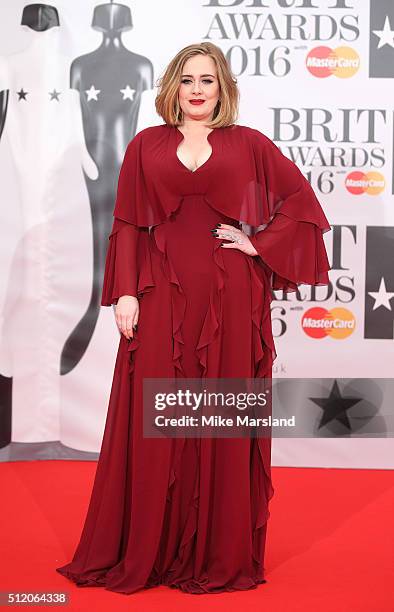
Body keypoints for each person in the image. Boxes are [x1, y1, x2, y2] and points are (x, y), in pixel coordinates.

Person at [56, 42, 331, 595]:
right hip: (159, 294)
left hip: (231, 299)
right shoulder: (145, 145)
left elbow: (302, 203)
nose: (198, 89)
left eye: (208, 79)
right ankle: (150, 551)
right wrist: (125, 293)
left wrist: (259, 247)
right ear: (173, 87)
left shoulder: (248, 144)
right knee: (157, 416)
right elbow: (129, 224)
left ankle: (216, 553)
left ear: (222, 87)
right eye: (188, 80)